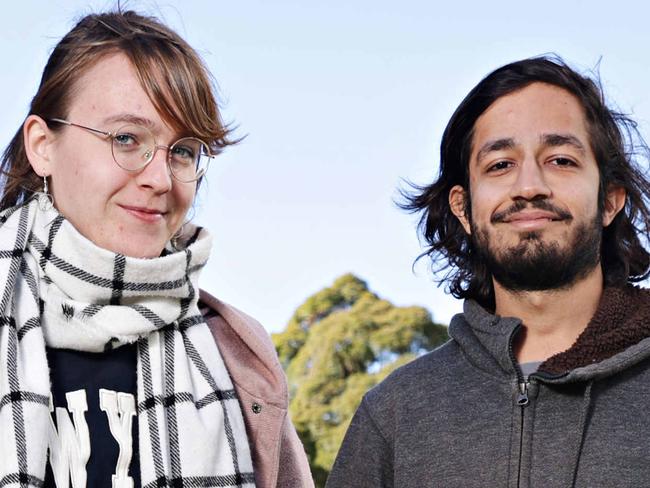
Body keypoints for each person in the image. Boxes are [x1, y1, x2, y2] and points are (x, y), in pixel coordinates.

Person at [0, 10, 313, 488]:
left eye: (183, 151)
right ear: (43, 145)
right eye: (127, 139)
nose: (161, 179)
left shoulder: (238, 355)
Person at [326, 56, 650, 487]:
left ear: (609, 200)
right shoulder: (394, 413)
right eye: (500, 164)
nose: (529, 186)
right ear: (463, 208)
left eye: (560, 160)